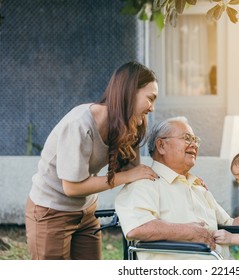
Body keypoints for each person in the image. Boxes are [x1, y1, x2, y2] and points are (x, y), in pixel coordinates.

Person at [25, 61, 160, 260]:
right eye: (150, 98)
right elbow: (72, 187)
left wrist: (182, 183)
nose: (152, 108)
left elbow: (135, 173)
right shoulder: (80, 124)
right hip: (50, 211)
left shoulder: (129, 125)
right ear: (130, 92)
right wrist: (129, 175)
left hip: (87, 213)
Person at [115, 116, 239, 260]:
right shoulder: (143, 183)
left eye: (195, 140)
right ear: (161, 146)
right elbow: (136, 228)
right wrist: (188, 232)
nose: (194, 144)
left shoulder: (197, 186)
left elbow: (230, 224)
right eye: (187, 138)